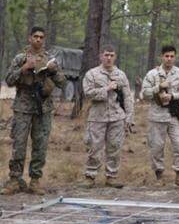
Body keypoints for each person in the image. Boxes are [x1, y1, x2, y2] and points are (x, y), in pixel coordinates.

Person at [1, 26, 66, 195]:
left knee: (40, 144)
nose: (38, 39)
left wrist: (53, 71)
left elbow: (62, 82)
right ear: (30, 38)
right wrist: (23, 69)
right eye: (35, 36)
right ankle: (15, 179)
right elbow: (8, 80)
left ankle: (35, 180)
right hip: (23, 106)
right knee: (19, 144)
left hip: (43, 107)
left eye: (41, 37)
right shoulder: (20, 58)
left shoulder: (50, 60)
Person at [81, 45, 134, 188]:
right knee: (94, 147)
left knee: (115, 147)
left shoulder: (121, 75)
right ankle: (90, 176)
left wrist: (129, 116)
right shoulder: (92, 74)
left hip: (117, 117)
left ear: (115, 56)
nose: (109, 58)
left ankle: (111, 177)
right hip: (97, 117)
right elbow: (88, 93)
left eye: (111, 55)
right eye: (106, 55)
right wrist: (106, 89)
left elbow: (127, 96)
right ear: (101, 56)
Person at [141, 45, 179, 186]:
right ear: (162, 57)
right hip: (157, 115)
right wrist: (158, 87)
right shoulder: (152, 74)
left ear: (175, 57)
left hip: (174, 115)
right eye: (166, 56)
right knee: (156, 147)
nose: (169, 59)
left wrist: (172, 96)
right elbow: (144, 93)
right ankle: (159, 176)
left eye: (172, 56)